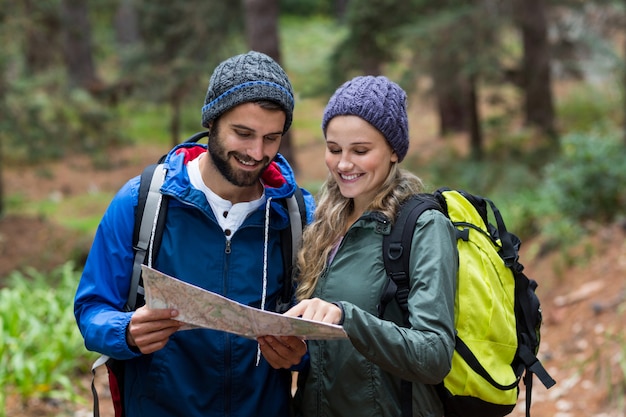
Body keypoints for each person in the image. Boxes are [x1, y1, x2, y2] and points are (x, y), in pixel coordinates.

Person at [74, 51, 315, 417]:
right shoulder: (143, 202)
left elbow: (320, 325)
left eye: (271, 138)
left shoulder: (298, 214)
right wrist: (125, 332)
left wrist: (301, 353)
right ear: (212, 122)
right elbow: (92, 309)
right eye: (243, 133)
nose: (256, 152)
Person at [284, 75, 459, 416]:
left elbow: (435, 354)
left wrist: (347, 318)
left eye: (360, 151)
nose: (344, 164)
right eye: (334, 149)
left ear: (394, 150)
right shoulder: (322, 222)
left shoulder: (422, 226)